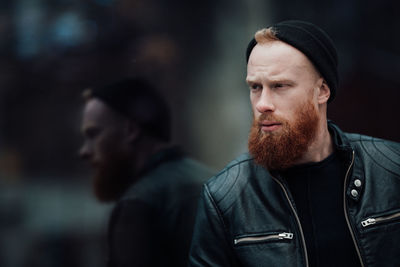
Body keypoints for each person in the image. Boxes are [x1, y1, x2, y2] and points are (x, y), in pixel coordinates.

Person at [188, 20, 400, 267]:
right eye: (255, 87)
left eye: (280, 86)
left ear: (322, 91)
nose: (262, 104)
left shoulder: (391, 169)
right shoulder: (225, 196)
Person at [79, 78, 214, 267]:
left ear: (131, 131)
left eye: (93, 134)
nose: (84, 151)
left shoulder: (140, 203)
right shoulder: (216, 183)